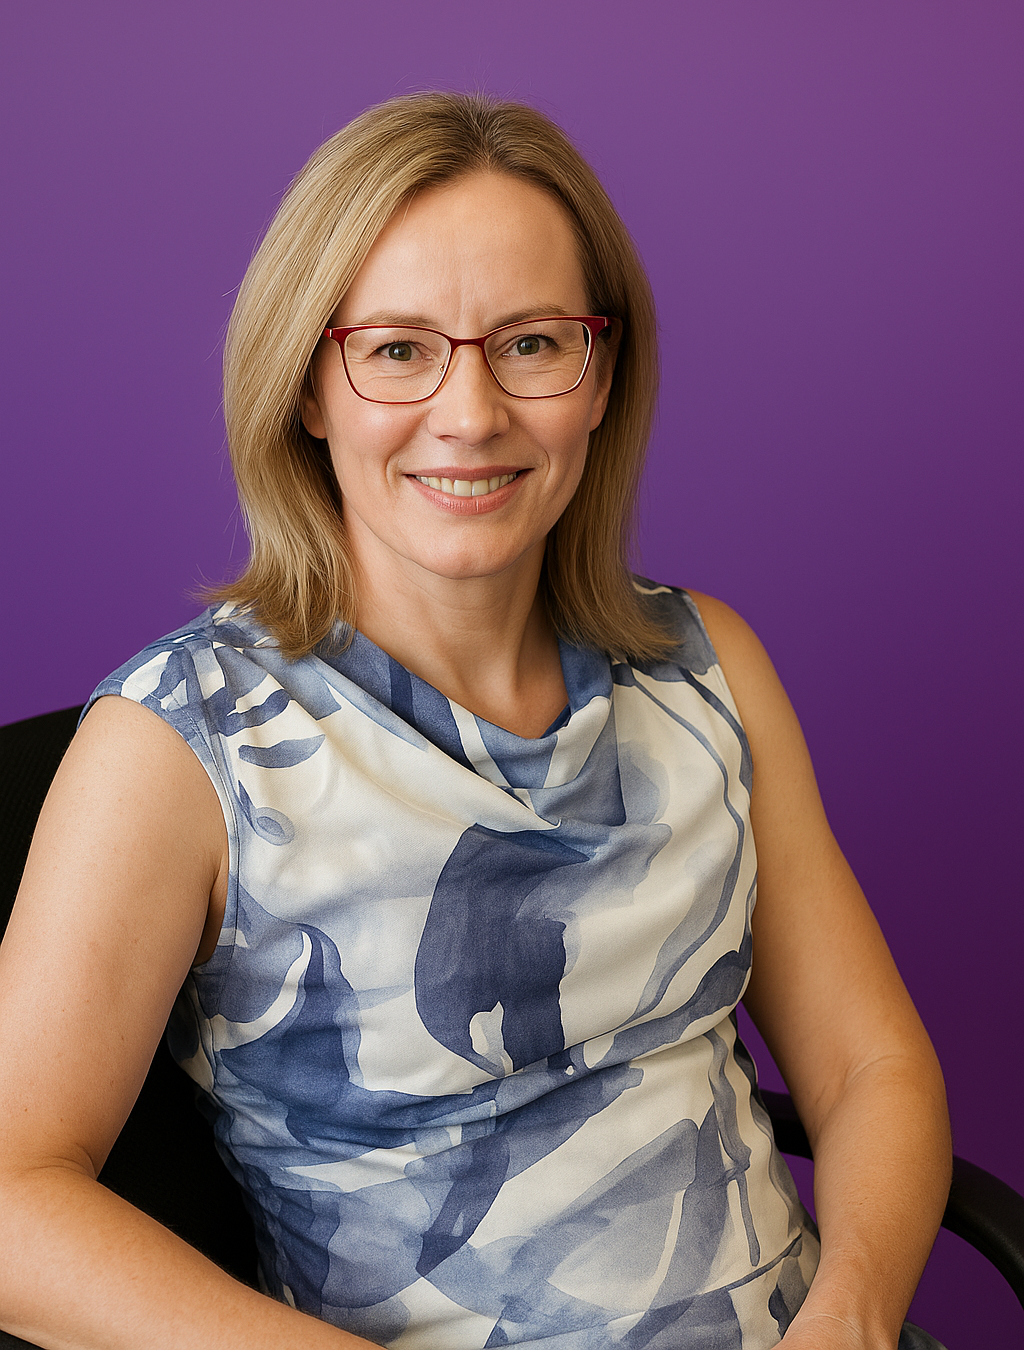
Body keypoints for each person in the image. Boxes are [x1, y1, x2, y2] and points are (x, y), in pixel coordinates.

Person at [0, 93, 950, 1350]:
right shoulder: (181, 743)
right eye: (397, 350)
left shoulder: (707, 665)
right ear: (308, 389)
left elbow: (869, 1068)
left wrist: (856, 1316)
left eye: (532, 343)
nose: (470, 412)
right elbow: (10, 1199)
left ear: (600, 376)